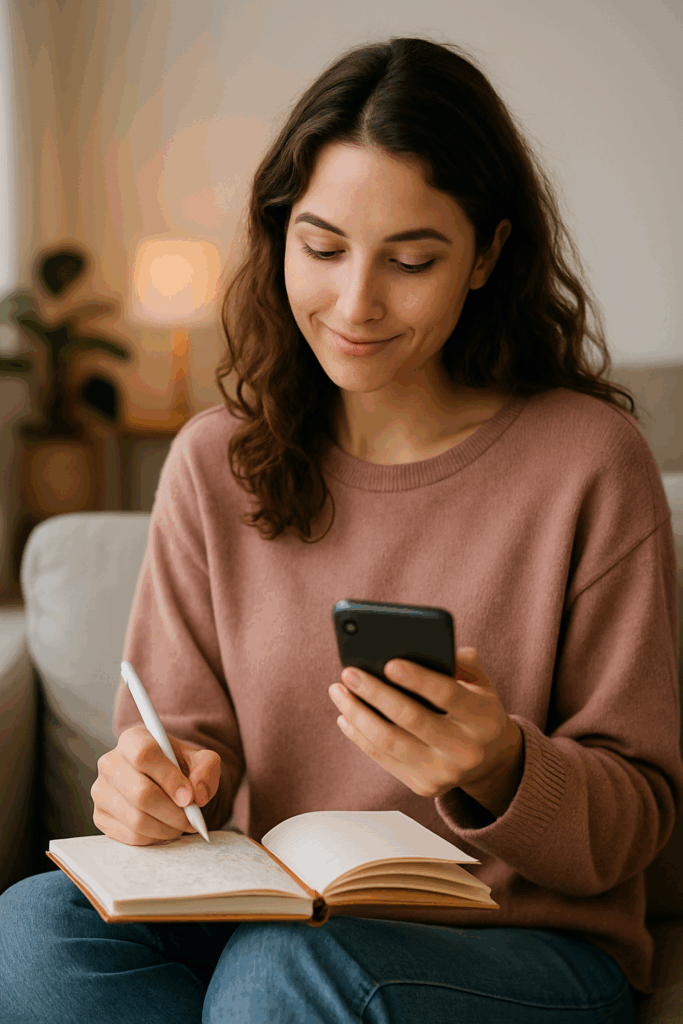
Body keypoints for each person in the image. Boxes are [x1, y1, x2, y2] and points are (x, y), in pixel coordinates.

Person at [1, 35, 680, 1024]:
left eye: (410, 260)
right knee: (34, 928)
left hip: (526, 946)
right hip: (279, 915)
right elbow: (176, 738)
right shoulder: (213, 460)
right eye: (320, 248)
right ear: (279, 234)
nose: (354, 304)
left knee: (283, 974)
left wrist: (495, 765)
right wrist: (152, 786)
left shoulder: (588, 461)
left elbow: (639, 820)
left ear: (487, 254)